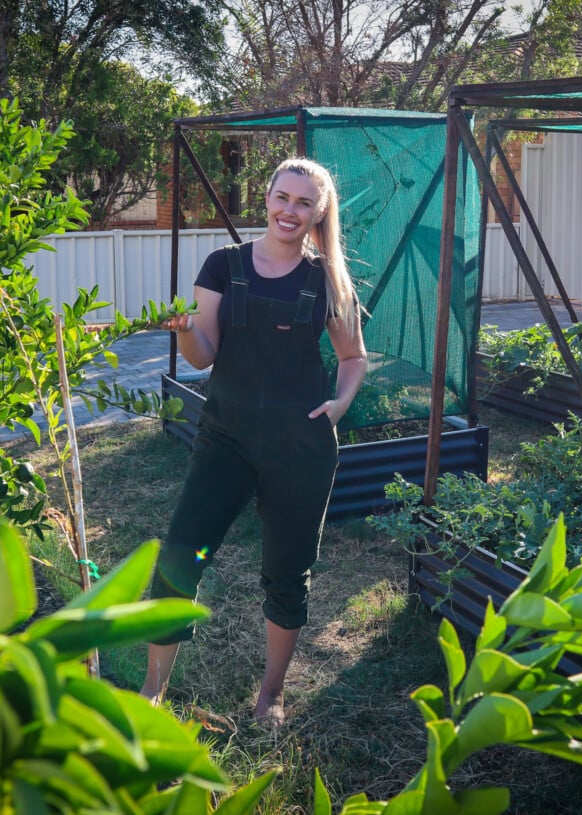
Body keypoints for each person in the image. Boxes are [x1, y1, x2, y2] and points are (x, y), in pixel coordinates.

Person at [142, 157, 368, 727]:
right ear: (265, 198)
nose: (289, 211)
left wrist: (339, 404)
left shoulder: (327, 279)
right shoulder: (224, 266)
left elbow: (353, 358)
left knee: (287, 574)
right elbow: (205, 356)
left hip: (300, 448)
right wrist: (188, 328)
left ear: (319, 214)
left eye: (303, 203)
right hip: (226, 442)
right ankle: (152, 690)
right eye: (282, 197)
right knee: (180, 557)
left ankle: (271, 693)